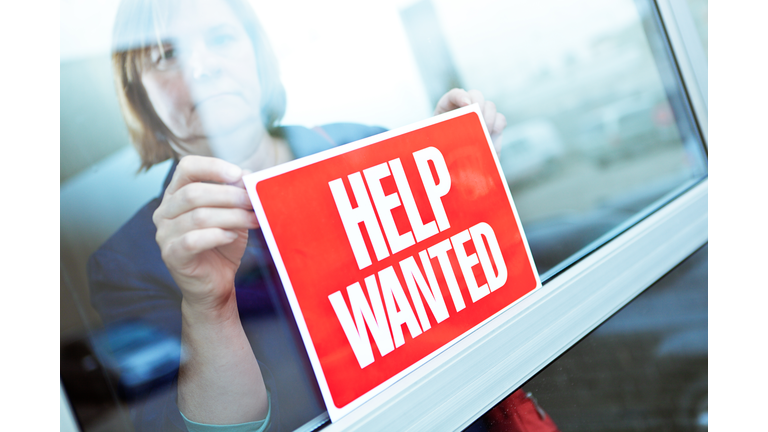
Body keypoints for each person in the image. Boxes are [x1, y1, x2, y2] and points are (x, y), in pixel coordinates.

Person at [88, 0, 507, 430]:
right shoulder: (127, 262)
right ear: (138, 93)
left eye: (221, 38)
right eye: (167, 54)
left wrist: (450, 190)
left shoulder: (365, 148)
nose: (202, 66)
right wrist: (207, 308)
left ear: (256, 55)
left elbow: (462, 314)